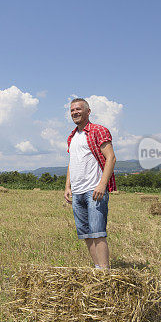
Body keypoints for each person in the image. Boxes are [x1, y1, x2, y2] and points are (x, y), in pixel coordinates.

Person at [64, 98, 117, 269]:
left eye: (78, 109)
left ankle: (105, 273)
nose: (75, 112)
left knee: (98, 232)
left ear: (88, 111)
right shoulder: (71, 137)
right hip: (77, 192)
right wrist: (67, 186)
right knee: (86, 234)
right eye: (72, 110)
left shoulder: (98, 131)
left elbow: (111, 158)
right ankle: (97, 269)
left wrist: (102, 184)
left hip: (94, 190)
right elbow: (72, 163)